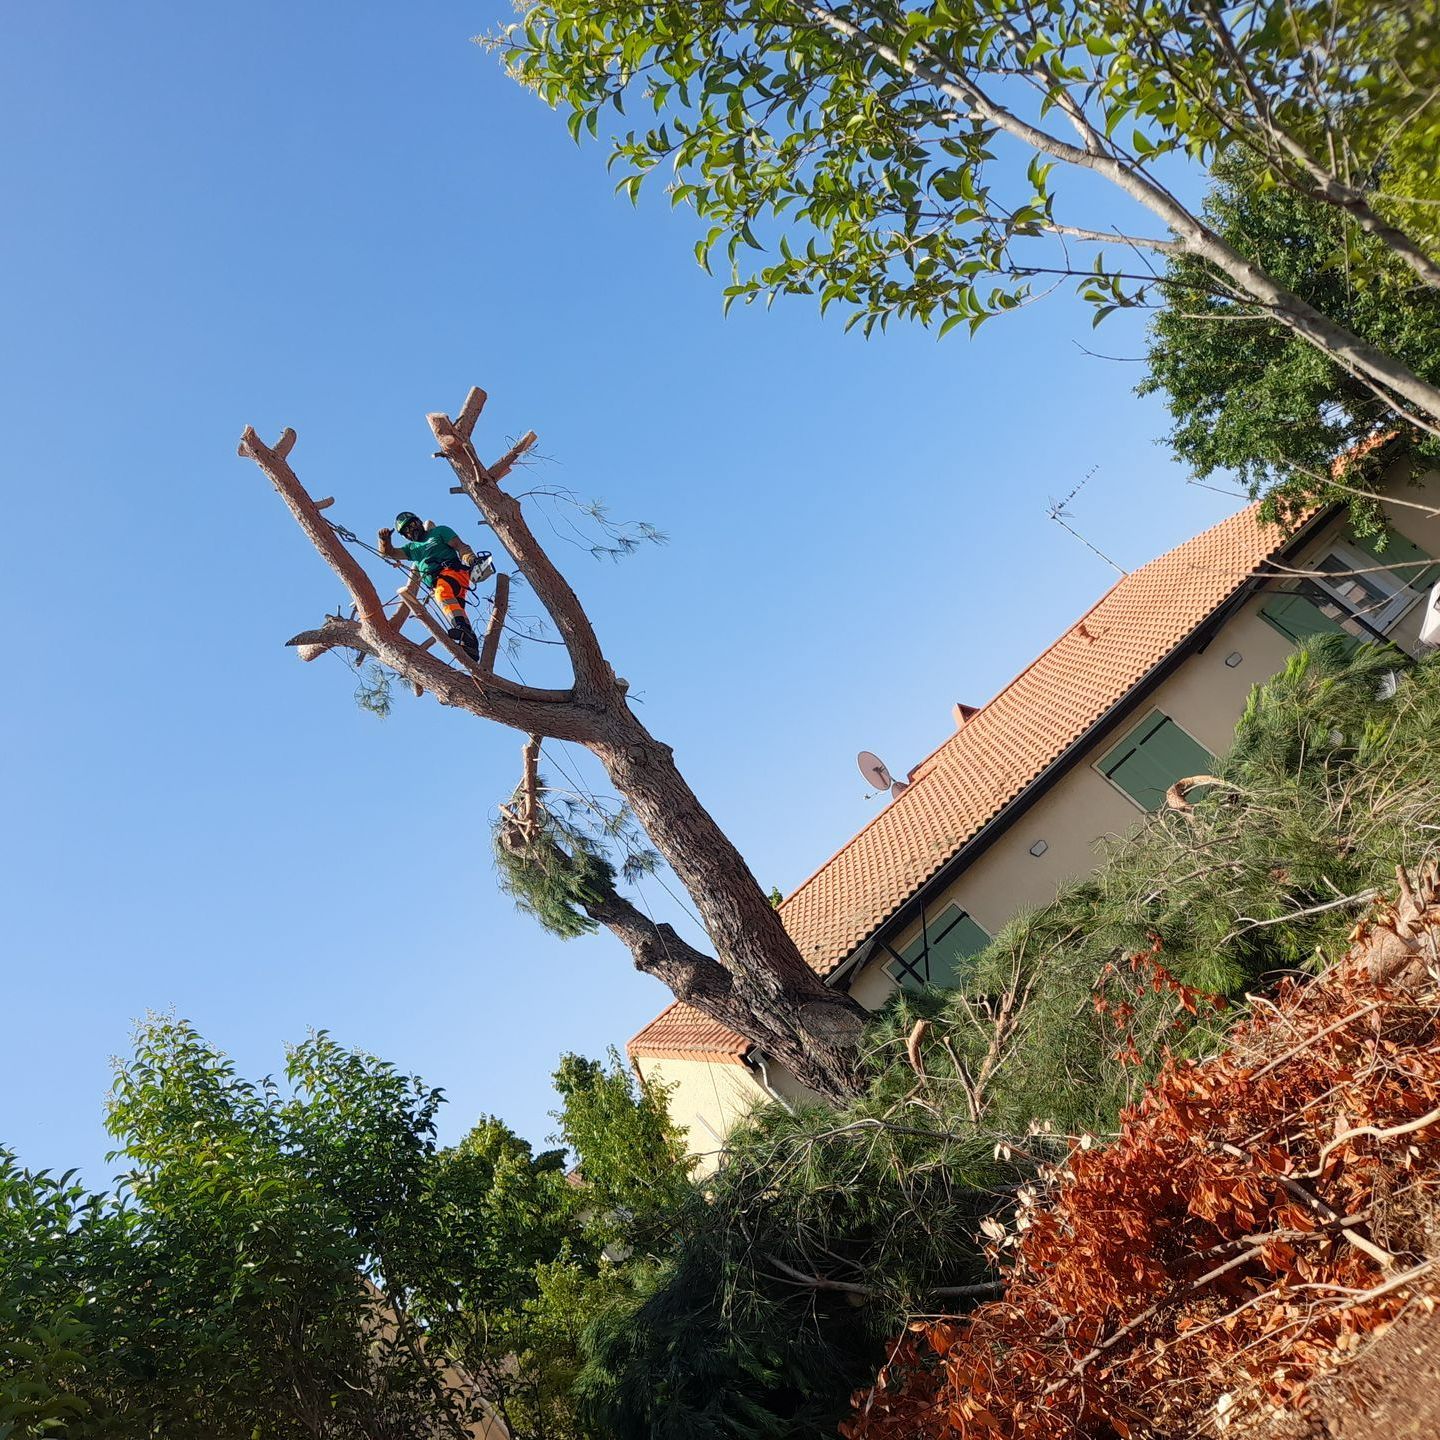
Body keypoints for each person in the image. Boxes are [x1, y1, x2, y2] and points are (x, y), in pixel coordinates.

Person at [377, 511, 482, 661]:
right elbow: (390, 553)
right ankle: (470, 645)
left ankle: (463, 630)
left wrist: (472, 560)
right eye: (406, 530)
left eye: (412, 525)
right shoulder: (412, 549)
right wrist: (385, 540)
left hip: (452, 573)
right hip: (439, 582)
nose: (411, 530)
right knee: (455, 608)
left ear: (419, 522)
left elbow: (461, 546)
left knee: (442, 594)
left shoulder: (439, 532)